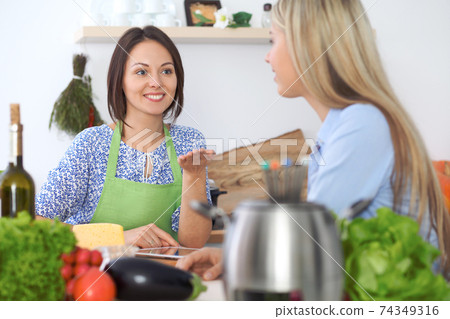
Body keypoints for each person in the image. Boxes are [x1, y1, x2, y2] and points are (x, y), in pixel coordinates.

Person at [176, 0, 450, 280]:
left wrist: (238, 258)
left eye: (273, 40)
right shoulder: (343, 125)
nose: (267, 57)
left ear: (307, 45)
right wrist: (232, 258)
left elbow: (314, 242)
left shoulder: (362, 123)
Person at [36, 26, 214, 249]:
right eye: (142, 72)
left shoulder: (189, 142)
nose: (156, 82)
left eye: (167, 71)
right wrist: (117, 237)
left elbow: (192, 243)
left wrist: (194, 175)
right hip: (95, 279)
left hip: (165, 278)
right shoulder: (91, 144)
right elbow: (36, 224)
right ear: (120, 80)